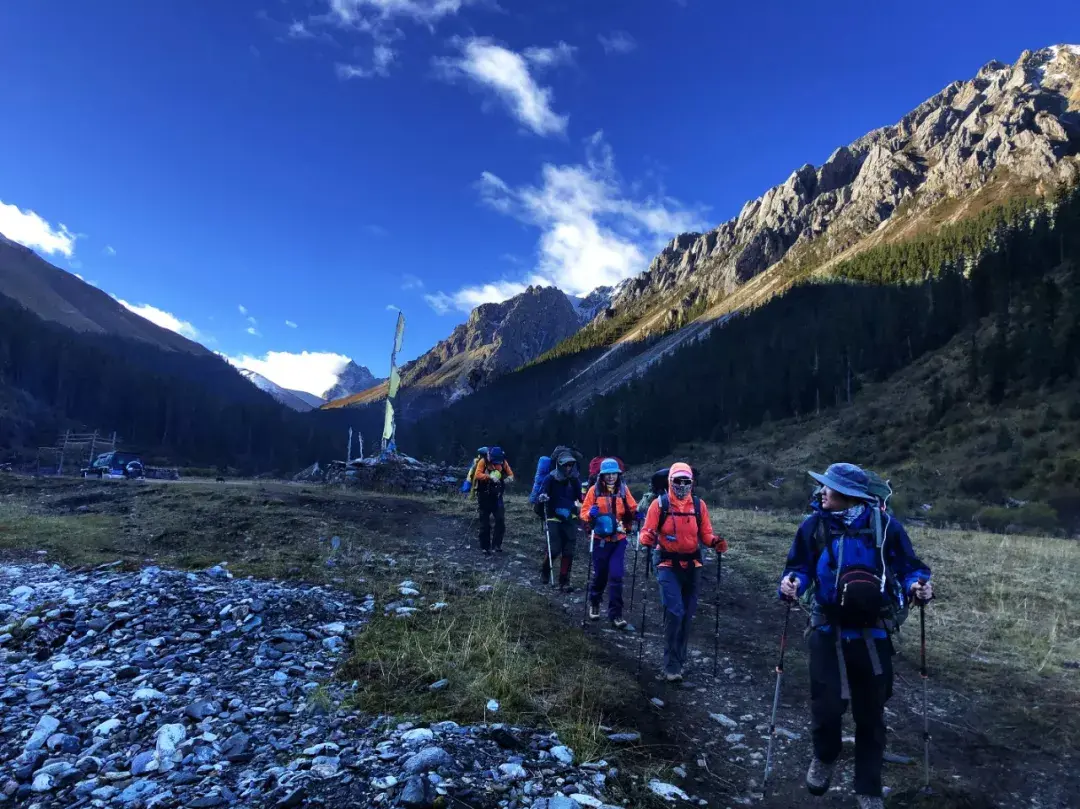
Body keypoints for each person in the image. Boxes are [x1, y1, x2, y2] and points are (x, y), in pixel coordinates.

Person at [778, 463, 933, 809]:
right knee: (828, 706)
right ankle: (825, 756)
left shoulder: (886, 528)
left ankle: (869, 786)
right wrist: (791, 584)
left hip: (872, 630)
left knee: (871, 712)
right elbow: (798, 567)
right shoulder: (814, 526)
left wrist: (919, 586)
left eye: (828, 489)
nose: (822, 493)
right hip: (826, 627)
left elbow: (910, 568)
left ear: (848, 497)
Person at [639, 463, 727, 681]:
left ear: (692, 483)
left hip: (692, 565)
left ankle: (679, 661)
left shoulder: (699, 506)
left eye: (686, 481)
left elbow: (706, 534)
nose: (682, 485)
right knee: (675, 611)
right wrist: (646, 539)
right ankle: (670, 664)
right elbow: (646, 532)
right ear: (670, 481)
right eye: (677, 480)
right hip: (667, 564)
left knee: (686, 616)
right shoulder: (659, 505)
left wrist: (715, 542)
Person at [580, 458, 638, 628]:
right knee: (600, 575)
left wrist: (637, 515)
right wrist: (590, 513)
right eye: (608, 474)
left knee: (616, 575)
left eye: (614, 473)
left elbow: (633, 508)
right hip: (600, 541)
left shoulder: (623, 490)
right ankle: (595, 602)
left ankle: (616, 614)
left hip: (619, 540)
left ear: (618, 474)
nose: (611, 477)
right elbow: (584, 514)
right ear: (602, 475)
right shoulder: (593, 491)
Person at [538, 452, 582, 590]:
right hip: (553, 516)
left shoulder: (575, 480)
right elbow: (542, 493)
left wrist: (584, 503)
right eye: (566, 465)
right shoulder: (550, 478)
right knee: (555, 548)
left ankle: (564, 581)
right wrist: (543, 497)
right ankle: (545, 571)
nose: (569, 468)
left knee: (569, 551)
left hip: (570, 517)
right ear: (559, 465)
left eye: (571, 465)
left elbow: (580, 497)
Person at [473, 447, 514, 556]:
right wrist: (489, 477)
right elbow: (477, 475)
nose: (497, 464)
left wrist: (508, 479)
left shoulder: (503, 462)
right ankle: (485, 547)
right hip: (484, 497)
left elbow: (511, 474)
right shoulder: (483, 461)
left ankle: (496, 545)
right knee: (485, 523)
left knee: (500, 520)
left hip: (497, 496)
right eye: (495, 462)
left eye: (498, 462)